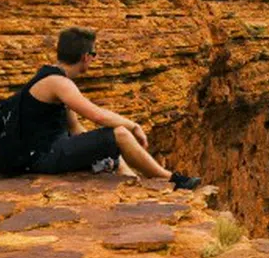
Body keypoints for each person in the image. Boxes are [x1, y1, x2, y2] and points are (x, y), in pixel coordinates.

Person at [21, 26, 200, 189]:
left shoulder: (49, 75)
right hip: (40, 157)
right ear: (86, 56)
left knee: (110, 146)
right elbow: (98, 116)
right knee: (119, 134)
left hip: (40, 152)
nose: (94, 59)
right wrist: (134, 126)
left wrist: (97, 146)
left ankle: (133, 182)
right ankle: (171, 179)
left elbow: (75, 127)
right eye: (94, 54)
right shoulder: (59, 83)